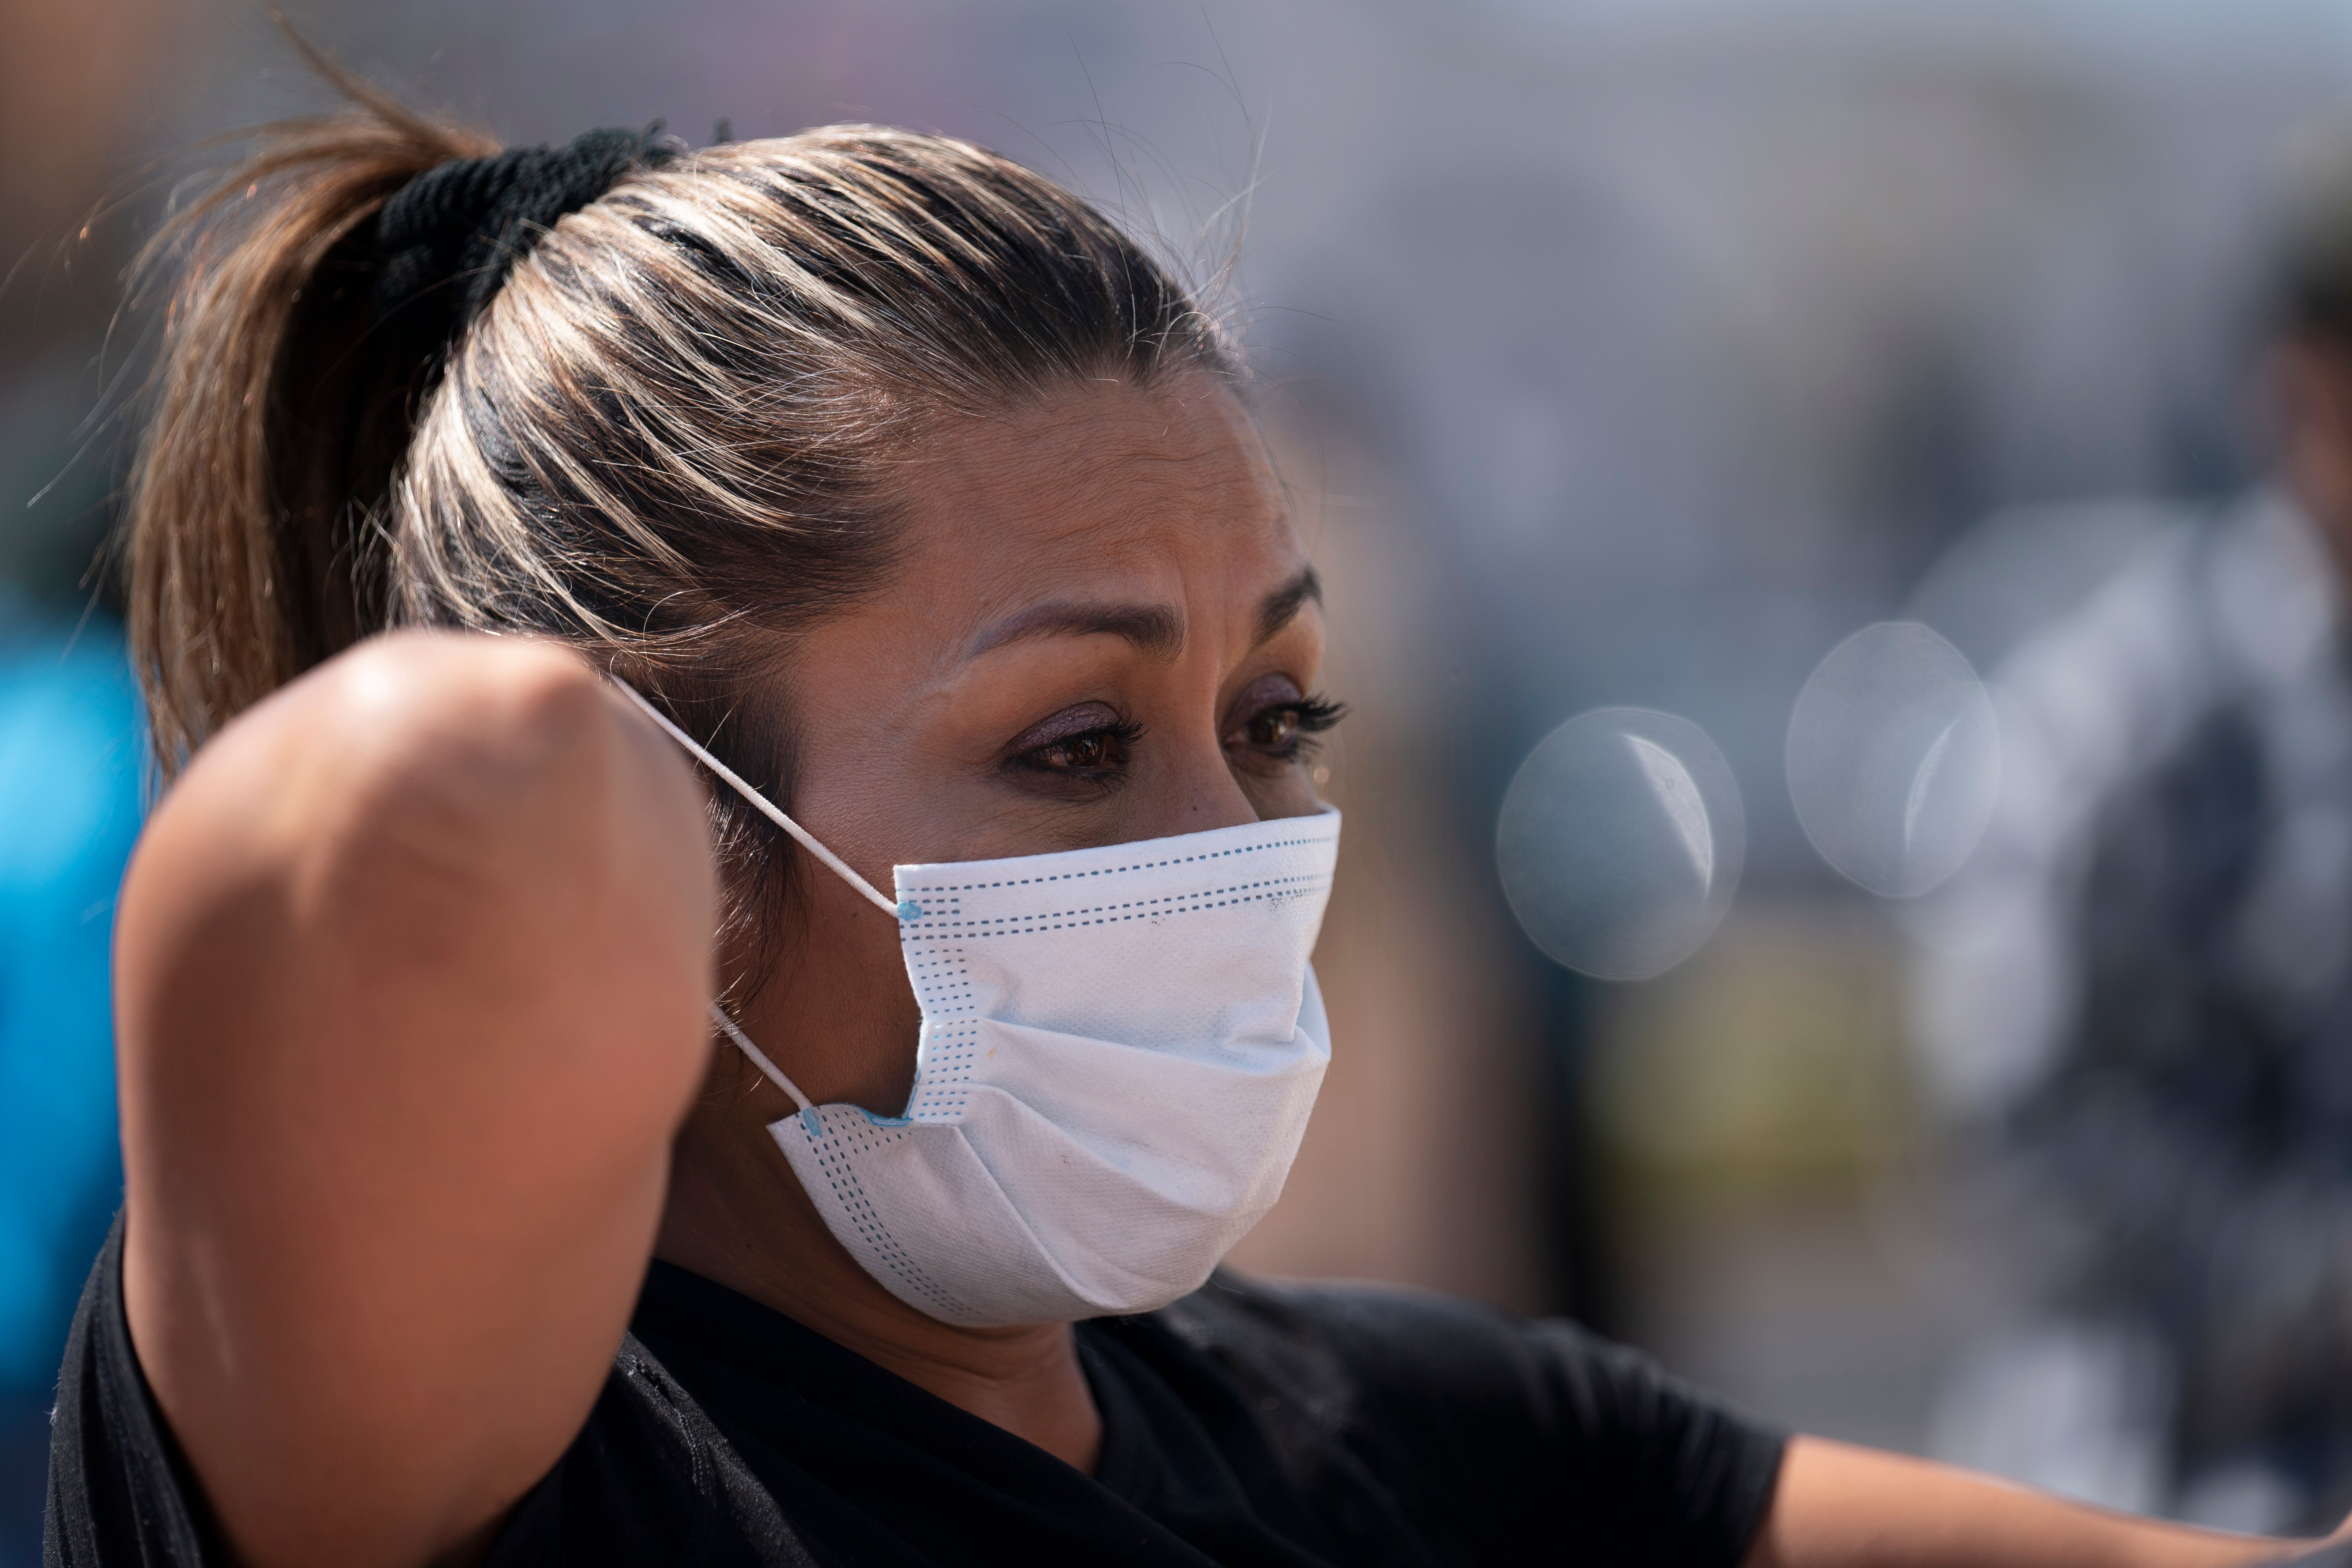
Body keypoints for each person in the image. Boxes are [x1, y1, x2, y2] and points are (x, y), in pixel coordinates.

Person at [39, 56, 2348, 1568]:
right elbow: (437, 805)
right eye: (1071, 745)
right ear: (683, 840)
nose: (1223, 846)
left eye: (1274, 718)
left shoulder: (1409, 1447)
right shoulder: (490, 1483)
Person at [1911, 131, 2352, 1534]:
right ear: (2301, 389)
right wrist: (2309, 1278)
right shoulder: (2134, 717)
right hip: (2168, 1489)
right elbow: (2019, 1141)